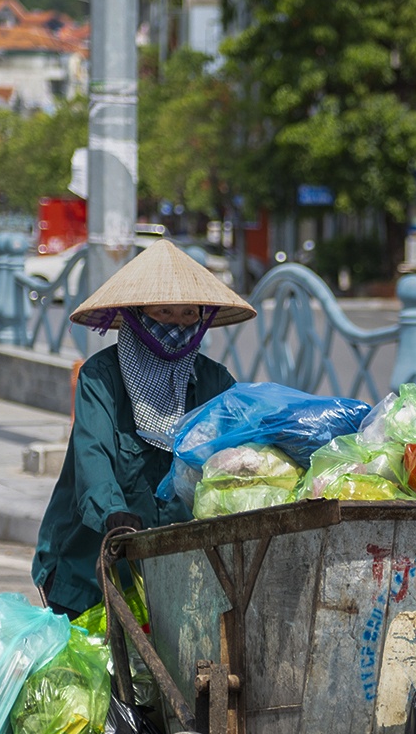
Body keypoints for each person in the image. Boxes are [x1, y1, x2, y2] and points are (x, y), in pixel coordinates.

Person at [31, 239, 254, 619]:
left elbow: (243, 442)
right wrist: (113, 512)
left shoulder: (214, 381)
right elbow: (93, 454)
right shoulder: (101, 378)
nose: (177, 324)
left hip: (175, 571)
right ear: (137, 315)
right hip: (88, 569)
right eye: (164, 311)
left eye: (188, 313)